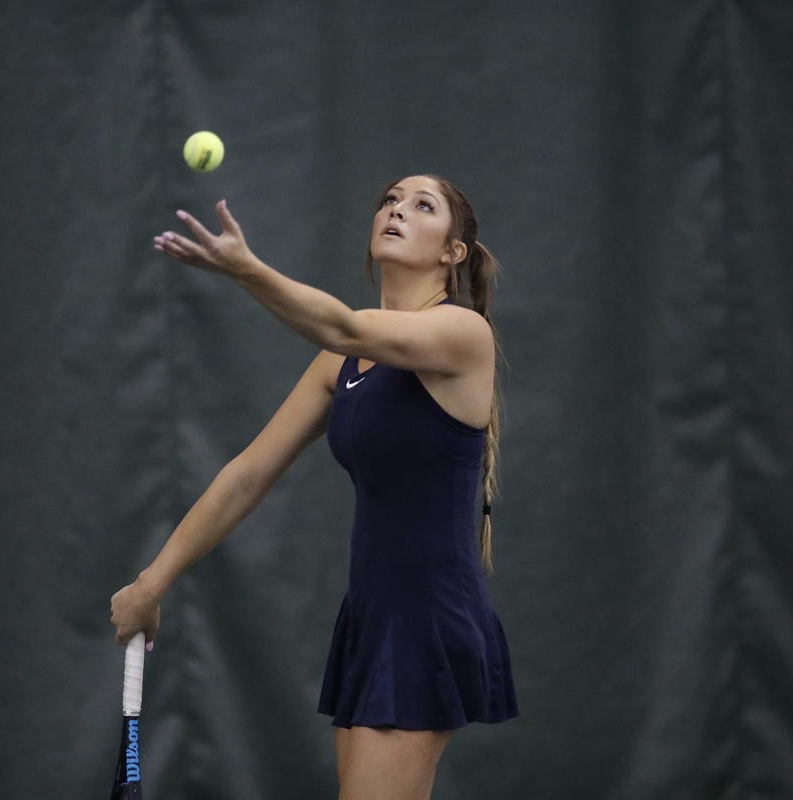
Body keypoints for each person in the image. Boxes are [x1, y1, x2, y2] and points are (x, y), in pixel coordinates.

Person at [110, 174, 518, 800]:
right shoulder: (342, 363)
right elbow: (247, 475)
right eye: (388, 200)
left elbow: (345, 327)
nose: (396, 210)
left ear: (452, 253)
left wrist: (247, 270)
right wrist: (152, 582)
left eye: (421, 205)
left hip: (428, 619)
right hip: (370, 616)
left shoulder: (462, 334)